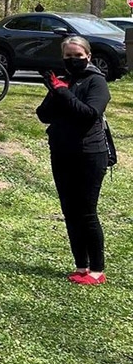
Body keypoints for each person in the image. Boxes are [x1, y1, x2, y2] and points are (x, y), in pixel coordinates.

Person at [36, 36, 110, 285]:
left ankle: (97, 270)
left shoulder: (96, 82)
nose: (73, 60)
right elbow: (43, 115)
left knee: (86, 211)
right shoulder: (64, 81)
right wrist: (55, 91)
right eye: (68, 56)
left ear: (88, 56)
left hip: (90, 154)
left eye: (78, 56)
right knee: (69, 211)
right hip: (61, 151)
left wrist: (63, 93)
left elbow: (89, 114)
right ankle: (81, 266)